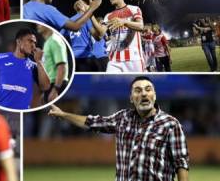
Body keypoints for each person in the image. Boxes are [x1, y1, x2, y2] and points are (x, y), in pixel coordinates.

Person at [48, 76, 189, 181]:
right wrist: (63, 114)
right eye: (138, 91)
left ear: (155, 95)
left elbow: (181, 163)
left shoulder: (171, 124)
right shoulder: (122, 118)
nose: (144, 94)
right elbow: (93, 122)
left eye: (148, 89)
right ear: (131, 98)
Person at [0, 28, 50, 110]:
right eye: (30, 41)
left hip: (21, 114)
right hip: (0, 111)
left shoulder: (34, 66)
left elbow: (45, 87)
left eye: (35, 43)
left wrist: (39, 62)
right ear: (19, 42)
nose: (33, 45)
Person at [92, 0, 145, 72]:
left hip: (134, 58)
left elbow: (141, 26)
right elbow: (100, 34)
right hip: (114, 59)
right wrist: (90, 13)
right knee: (110, 83)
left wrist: (124, 22)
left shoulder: (134, 9)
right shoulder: (108, 16)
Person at [61, 0, 105, 71]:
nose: (88, 7)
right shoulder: (86, 19)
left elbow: (60, 36)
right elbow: (97, 37)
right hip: (86, 56)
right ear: (81, 7)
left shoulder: (68, 21)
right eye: (86, 5)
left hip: (73, 57)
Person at [37, 25, 69, 103]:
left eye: (40, 23)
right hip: (51, 86)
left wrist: (55, 89)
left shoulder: (55, 40)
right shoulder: (48, 42)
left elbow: (61, 67)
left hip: (57, 85)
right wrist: (45, 92)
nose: (37, 25)